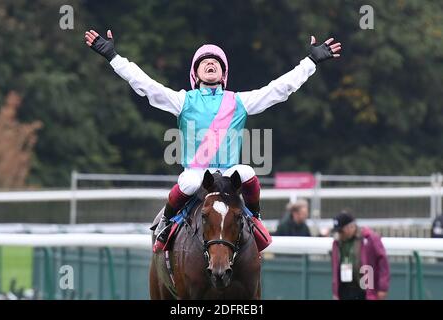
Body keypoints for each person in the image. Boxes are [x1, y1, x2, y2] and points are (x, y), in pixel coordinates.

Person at [84, 29, 342, 253]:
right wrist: (114, 58)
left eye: (216, 63)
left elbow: (279, 89)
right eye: (204, 62)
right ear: (195, 73)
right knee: (190, 181)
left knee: (249, 171)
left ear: (224, 73)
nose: (210, 64)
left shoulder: (239, 101)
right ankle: (166, 224)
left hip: (228, 173)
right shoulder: (183, 100)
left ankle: (255, 219)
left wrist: (311, 62)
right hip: (196, 173)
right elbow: (145, 84)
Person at [331, 211, 390, 300]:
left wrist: (382, 287)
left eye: (341, 231)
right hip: (344, 289)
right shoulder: (337, 243)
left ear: (350, 227)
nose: (339, 234)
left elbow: (383, 263)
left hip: (364, 289)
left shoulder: (369, 238)